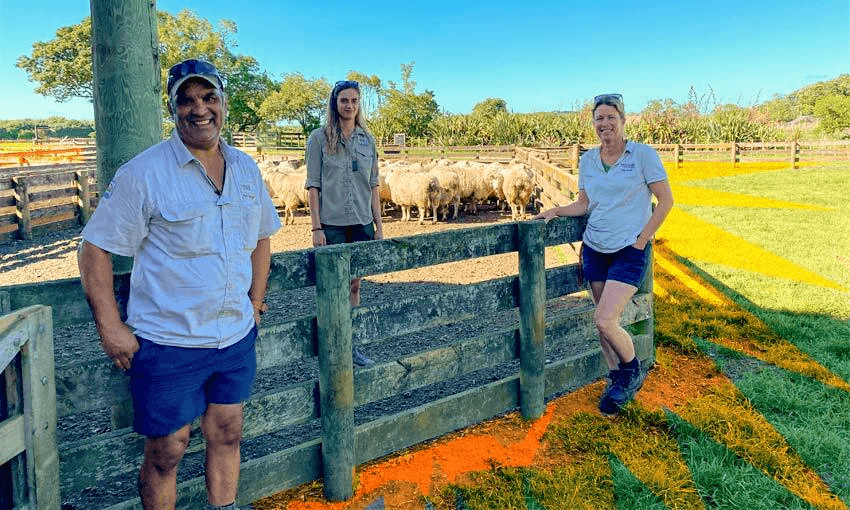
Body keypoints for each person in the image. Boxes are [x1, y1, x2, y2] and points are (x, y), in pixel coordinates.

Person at [78, 59, 281, 510]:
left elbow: (262, 236)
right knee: (168, 449)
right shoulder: (144, 172)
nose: (199, 109)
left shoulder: (246, 169)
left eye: (208, 97)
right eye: (186, 100)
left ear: (224, 103)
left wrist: (256, 300)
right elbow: (94, 249)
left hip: (233, 335)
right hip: (170, 340)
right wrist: (111, 329)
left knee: (228, 430)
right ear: (173, 108)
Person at [534, 93, 674, 416]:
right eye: (599, 118)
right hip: (595, 248)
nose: (605, 123)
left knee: (604, 318)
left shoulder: (642, 156)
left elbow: (666, 201)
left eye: (612, 117)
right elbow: (584, 204)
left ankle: (632, 371)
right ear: (593, 124)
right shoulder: (588, 161)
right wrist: (555, 210)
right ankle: (616, 380)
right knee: (603, 324)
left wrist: (642, 238)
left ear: (623, 121)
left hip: (628, 251)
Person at [305, 80, 384, 366]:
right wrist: (316, 228)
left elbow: (373, 184)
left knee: (354, 286)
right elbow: (313, 185)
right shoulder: (319, 138)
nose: (349, 106)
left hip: (362, 222)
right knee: (331, 287)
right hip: (333, 224)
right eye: (344, 101)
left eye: (354, 101)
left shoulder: (367, 139)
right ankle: (331, 348)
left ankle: (350, 347)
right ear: (334, 103)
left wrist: (379, 224)